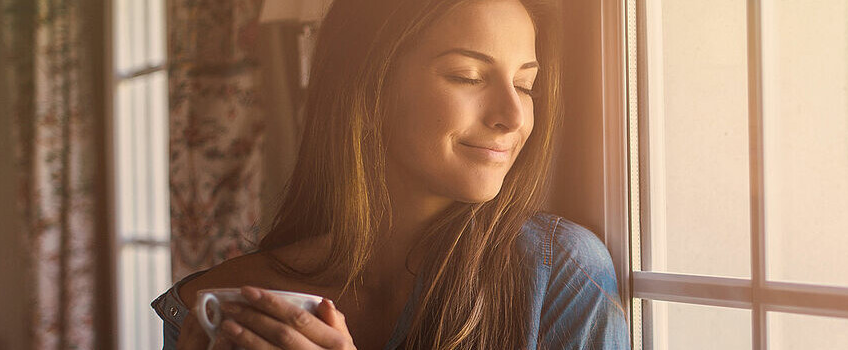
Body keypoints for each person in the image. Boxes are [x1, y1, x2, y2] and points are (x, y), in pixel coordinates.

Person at [149, 0, 629, 348]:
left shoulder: (556, 272)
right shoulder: (219, 305)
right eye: (467, 76)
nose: (513, 115)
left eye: (526, 84)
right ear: (369, 86)